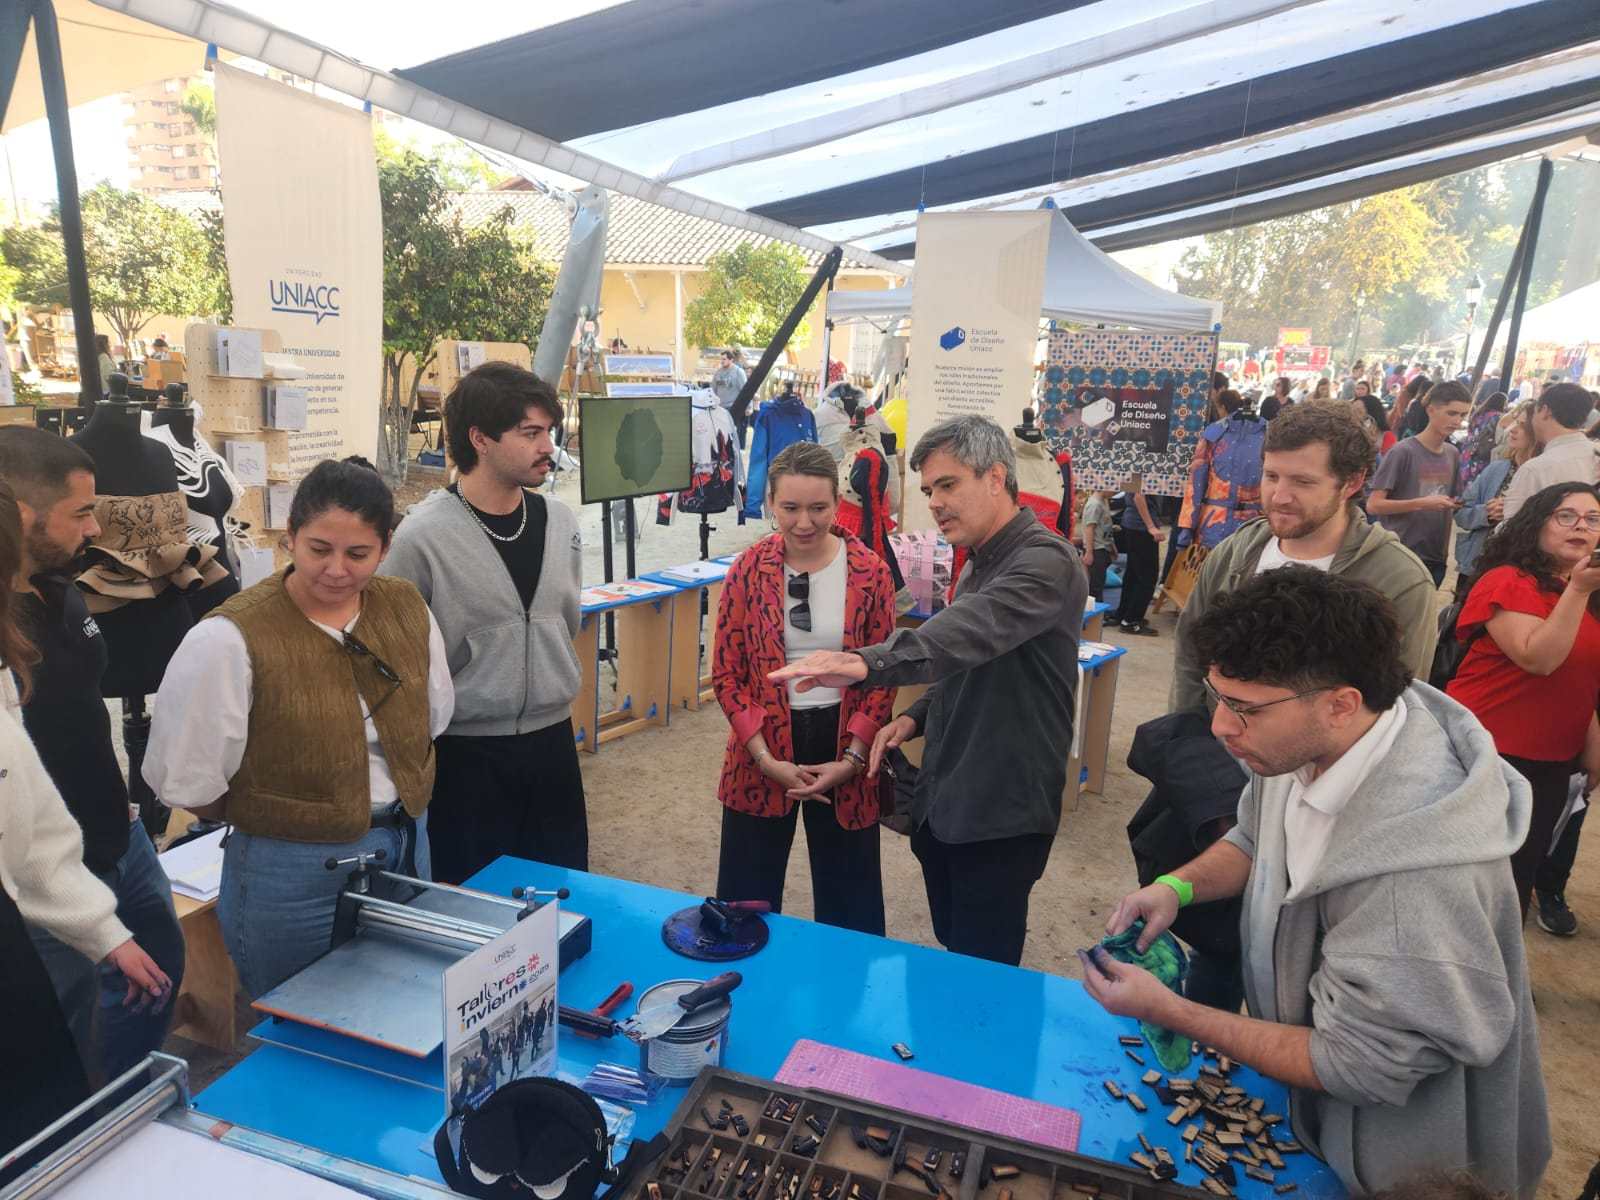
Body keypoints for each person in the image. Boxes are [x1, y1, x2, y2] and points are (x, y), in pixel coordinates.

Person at [1090, 566, 1549, 1200]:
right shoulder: (1308, 739)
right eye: (1216, 696)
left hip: (1410, 1170)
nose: (1221, 726)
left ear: (1341, 703)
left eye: (1244, 709)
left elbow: (1359, 1062)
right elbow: (1255, 836)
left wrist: (1169, 1011)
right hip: (1320, 1121)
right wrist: (1178, 887)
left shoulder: (1413, 878)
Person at [771, 415, 1086, 965]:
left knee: (980, 973)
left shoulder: (1045, 560)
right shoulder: (982, 557)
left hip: (1000, 810)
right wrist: (914, 718)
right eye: (927, 490)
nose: (935, 503)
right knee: (952, 947)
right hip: (950, 797)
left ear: (995, 477)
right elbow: (971, 661)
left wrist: (863, 663)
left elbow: (967, 632)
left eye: (947, 484)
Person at [144, 459, 453, 998]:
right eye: (319, 549)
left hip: (406, 841)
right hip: (288, 868)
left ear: (384, 548)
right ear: (290, 540)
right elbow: (188, 782)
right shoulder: (228, 639)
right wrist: (278, 815)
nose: (337, 569)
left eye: (358, 554)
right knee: (300, 1015)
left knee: (405, 999)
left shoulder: (405, 607)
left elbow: (435, 716)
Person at [0, 428, 185, 1080]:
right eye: (79, 513)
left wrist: (130, 811)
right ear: (22, 515)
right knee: (66, 1027)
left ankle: (121, 1101)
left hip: (118, 837)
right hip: (43, 877)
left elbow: (87, 706)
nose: (93, 530)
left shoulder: (59, 589)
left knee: (159, 970)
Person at [381, 362, 586, 883]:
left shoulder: (560, 521)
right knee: (477, 919)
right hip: (465, 760)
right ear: (481, 439)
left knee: (565, 902)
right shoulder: (420, 537)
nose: (547, 446)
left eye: (549, 432)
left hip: (553, 747)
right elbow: (392, 658)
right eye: (530, 433)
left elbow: (567, 621)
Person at [711, 442, 897, 934]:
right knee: (743, 904)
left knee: (850, 910)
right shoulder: (748, 570)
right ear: (770, 501)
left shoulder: (870, 571)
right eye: (790, 508)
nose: (804, 522)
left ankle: (844, 1008)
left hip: (843, 745)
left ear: (838, 503)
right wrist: (764, 758)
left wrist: (853, 760)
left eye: (818, 508)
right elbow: (727, 673)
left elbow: (881, 673)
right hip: (762, 744)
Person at [1172, 402, 1437, 712]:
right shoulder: (1234, 552)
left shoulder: (1400, 579)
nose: (1280, 497)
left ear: (1351, 482)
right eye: (1271, 476)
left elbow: (1402, 700)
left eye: (1303, 482)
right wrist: (1188, 734)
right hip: (1218, 750)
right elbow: (1191, 655)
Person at [1445, 481, 1600, 918]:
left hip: (1552, 759)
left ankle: (1499, 977)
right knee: (1475, 880)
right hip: (1491, 751)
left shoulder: (1583, 590)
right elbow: (1539, 658)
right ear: (1537, 524)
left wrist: (1591, 746)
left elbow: (1579, 675)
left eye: (1593, 519)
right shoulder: (1507, 581)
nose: (1581, 527)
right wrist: (1578, 592)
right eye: (1565, 516)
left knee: (1517, 879)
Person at [1367, 381, 1471, 587]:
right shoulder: (1402, 451)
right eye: (1451, 413)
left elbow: (1453, 503)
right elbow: (1374, 504)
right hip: (1401, 553)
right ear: (1431, 409)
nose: (1457, 421)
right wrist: (1422, 503)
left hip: (1436, 557)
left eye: (1462, 415)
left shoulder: (1452, 453)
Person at [1453, 405, 1534, 594]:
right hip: (1476, 565)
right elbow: (1461, 513)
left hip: (1515, 573)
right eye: (1515, 422)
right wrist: (1486, 513)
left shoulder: (1542, 475)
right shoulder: (1497, 468)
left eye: (1522, 425)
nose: (1513, 429)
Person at [1177, 388, 1264, 550]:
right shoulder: (1214, 434)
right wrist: (1187, 526)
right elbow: (1195, 484)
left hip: (1254, 528)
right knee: (1210, 572)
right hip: (1213, 526)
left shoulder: (1270, 435)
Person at [1502, 382, 1600, 520]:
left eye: (1535, 411)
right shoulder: (1595, 454)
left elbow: (1511, 529)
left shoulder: (1536, 469)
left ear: (1545, 411)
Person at [1114, 474, 1163, 635]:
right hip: (1140, 528)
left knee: (1133, 574)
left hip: (1132, 524)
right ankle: (1131, 621)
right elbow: (1138, 496)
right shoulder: (1146, 467)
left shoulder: (1134, 465)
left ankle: (1124, 613)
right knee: (1147, 577)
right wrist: (1151, 527)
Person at [1080, 487, 1115, 601]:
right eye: (1114, 489)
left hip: (1103, 547)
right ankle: (1095, 614)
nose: (1115, 492)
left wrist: (1112, 547)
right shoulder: (1094, 504)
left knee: (1099, 583)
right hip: (1096, 549)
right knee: (1095, 586)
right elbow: (1089, 528)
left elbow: (1105, 527)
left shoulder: (1103, 501)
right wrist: (1089, 552)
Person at [711, 349, 747, 415]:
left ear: (731, 360)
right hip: (719, 408)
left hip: (733, 408)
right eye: (721, 359)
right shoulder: (718, 373)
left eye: (724, 359)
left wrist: (748, 407)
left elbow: (745, 391)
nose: (722, 361)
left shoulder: (738, 372)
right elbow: (713, 389)